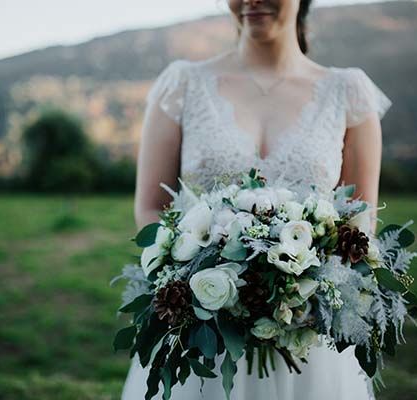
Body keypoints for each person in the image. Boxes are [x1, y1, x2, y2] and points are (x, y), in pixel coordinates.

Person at [122, 0, 392, 398]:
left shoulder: (348, 91)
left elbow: (360, 219)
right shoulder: (182, 84)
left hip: (307, 334)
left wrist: (297, 293)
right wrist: (197, 279)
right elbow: (150, 206)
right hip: (202, 330)